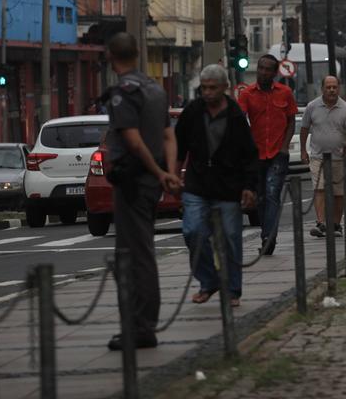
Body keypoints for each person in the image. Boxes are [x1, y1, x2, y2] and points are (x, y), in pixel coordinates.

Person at [102, 32, 178, 351]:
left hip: (134, 181)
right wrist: (169, 173)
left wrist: (158, 172)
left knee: (133, 255)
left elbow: (132, 140)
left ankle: (140, 326)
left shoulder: (124, 92)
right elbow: (168, 136)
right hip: (151, 182)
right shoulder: (154, 89)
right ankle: (142, 323)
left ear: (111, 57)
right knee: (142, 252)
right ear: (137, 53)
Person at [174, 65, 257, 308]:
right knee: (192, 231)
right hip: (197, 184)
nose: (207, 93)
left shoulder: (235, 116)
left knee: (231, 238)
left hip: (228, 187)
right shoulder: (192, 112)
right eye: (204, 88)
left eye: (212, 88)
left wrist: (249, 187)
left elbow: (249, 155)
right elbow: (179, 147)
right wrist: (172, 175)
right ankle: (209, 280)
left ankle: (232, 289)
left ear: (224, 88)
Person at [238, 54, 298, 256]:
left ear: (274, 73)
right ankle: (266, 233)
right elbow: (240, 121)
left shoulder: (285, 93)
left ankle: (268, 238)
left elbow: (291, 121)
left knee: (272, 194)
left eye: (267, 69)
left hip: (277, 153)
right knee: (261, 197)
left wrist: (284, 146)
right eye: (261, 68)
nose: (263, 72)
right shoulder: (247, 94)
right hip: (255, 155)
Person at [300, 75, 346, 238]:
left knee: (339, 193)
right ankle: (321, 223)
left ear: (338, 88)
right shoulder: (312, 106)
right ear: (322, 89)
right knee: (320, 189)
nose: (331, 90)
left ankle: (336, 224)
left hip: (339, 157)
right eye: (328, 87)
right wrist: (304, 151)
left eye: (334, 87)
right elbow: (304, 128)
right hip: (318, 156)